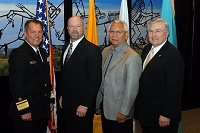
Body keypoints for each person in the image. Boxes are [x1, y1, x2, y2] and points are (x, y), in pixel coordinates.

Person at [135, 18, 184, 133]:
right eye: (150, 31)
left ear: (166, 34)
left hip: (162, 117)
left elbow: (174, 88)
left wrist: (167, 114)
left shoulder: (173, 55)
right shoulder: (147, 49)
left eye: (158, 31)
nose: (153, 35)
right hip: (147, 114)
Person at [96, 20, 142, 133]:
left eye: (118, 32)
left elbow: (132, 89)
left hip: (120, 112)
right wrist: (98, 103)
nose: (114, 35)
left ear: (126, 35)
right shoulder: (105, 51)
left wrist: (124, 112)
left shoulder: (132, 57)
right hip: (105, 108)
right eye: (111, 31)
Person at [9, 19, 54, 133]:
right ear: (25, 33)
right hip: (27, 113)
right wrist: (24, 110)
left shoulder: (42, 52)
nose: (37, 35)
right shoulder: (19, 54)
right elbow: (16, 85)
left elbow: (45, 79)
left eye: (40, 32)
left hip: (41, 111)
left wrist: (50, 100)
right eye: (33, 32)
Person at [59, 16, 102, 133]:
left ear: (84, 28)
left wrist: (85, 104)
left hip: (82, 107)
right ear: (67, 28)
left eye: (78, 26)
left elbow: (95, 80)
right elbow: (65, 76)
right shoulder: (65, 47)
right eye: (71, 26)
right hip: (67, 105)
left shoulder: (92, 50)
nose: (74, 29)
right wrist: (63, 95)